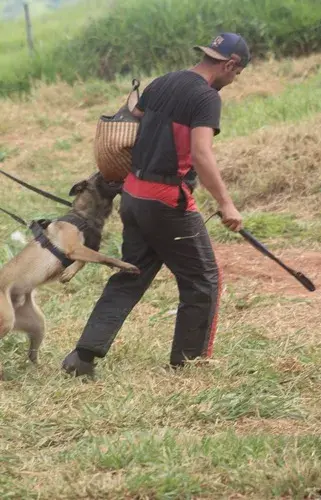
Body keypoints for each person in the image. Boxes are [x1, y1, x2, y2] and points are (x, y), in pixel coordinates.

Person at [62, 32, 251, 377]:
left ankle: (82, 357)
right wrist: (227, 203)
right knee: (202, 279)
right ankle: (189, 361)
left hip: (133, 196)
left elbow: (132, 118)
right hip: (167, 202)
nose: (233, 81)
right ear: (230, 64)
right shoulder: (205, 97)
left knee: (129, 276)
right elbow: (201, 153)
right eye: (236, 75)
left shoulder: (162, 82)